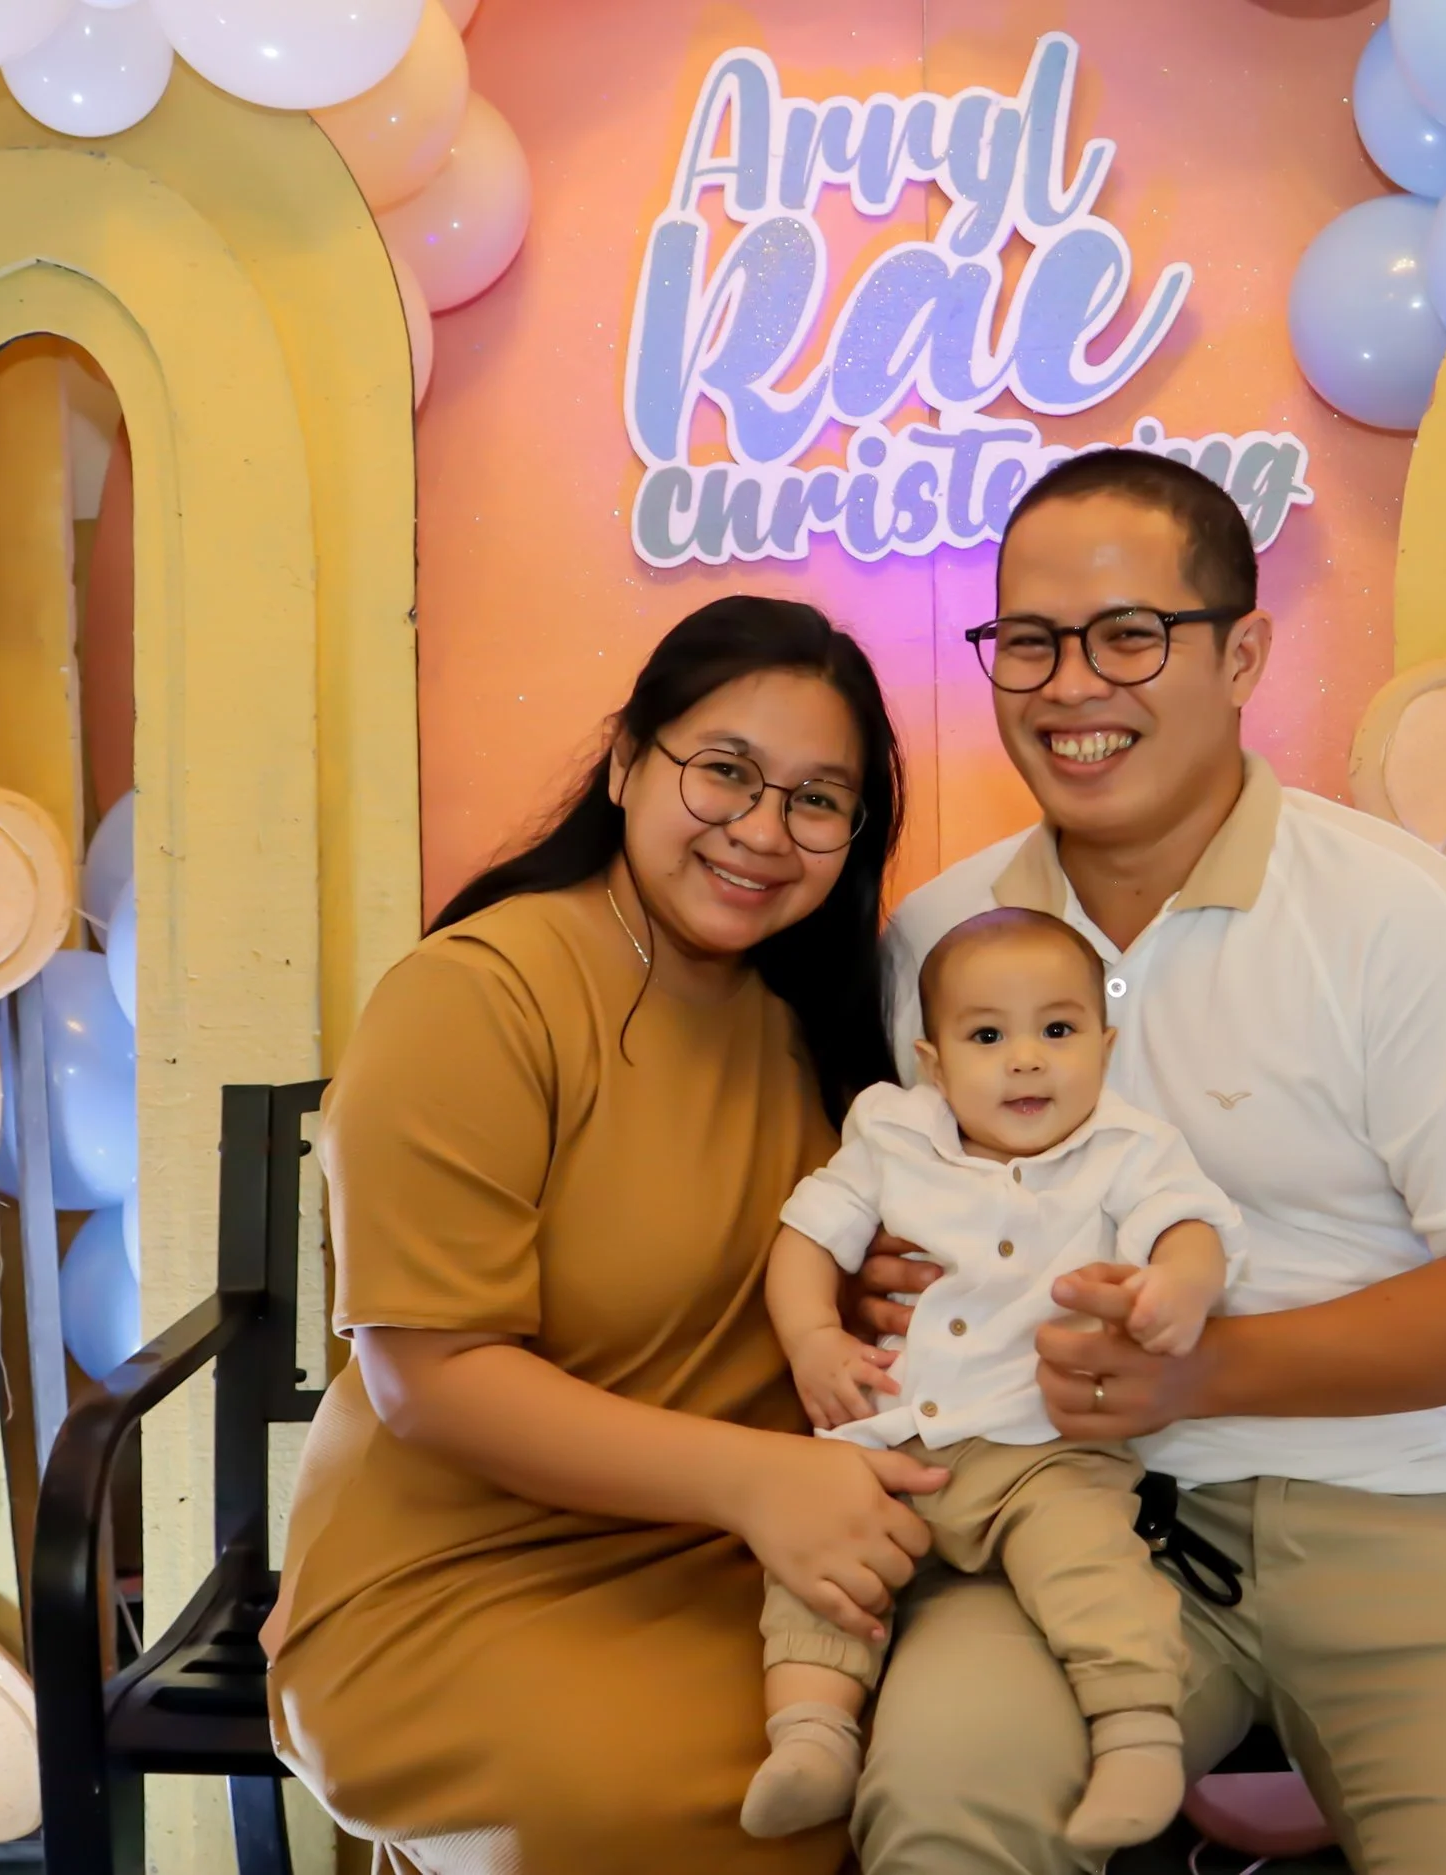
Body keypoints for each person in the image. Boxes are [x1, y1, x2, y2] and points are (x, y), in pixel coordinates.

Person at [850, 451, 1446, 1874]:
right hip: (1057, 1514)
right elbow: (916, 1209)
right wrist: (887, 1274)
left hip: (1411, 1508)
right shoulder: (939, 936)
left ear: (1242, 652)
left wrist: (1204, 1371)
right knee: (942, 1806)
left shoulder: (1397, 913)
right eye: (1030, 642)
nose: (1070, 685)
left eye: (1129, 634)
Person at [265, 596, 948, 1875]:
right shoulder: (479, 993)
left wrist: (873, 1296)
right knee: (670, 1805)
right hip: (468, 1568)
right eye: (726, 771)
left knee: (960, 1753)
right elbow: (431, 1377)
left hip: (748, 1566)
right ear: (629, 759)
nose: (762, 830)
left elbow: (766, 1292)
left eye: (816, 799)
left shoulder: (812, 1028)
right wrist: (757, 1482)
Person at [744, 907, 1238, 1852]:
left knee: (1093, 1567)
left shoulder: (1127, 1148)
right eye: (987, 1035)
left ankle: (1137, 1735)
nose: (1025, 1060)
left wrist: (1181, 1282)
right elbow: (808, 1236)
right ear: (934, 1062)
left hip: (1041, 1452)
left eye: (1057, 1030)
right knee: (820, 1567)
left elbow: (1190, 1225)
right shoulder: (893, 1134)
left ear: (1105, 1043)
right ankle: (812, 1734)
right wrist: (813, 1339)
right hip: (893, 1437)